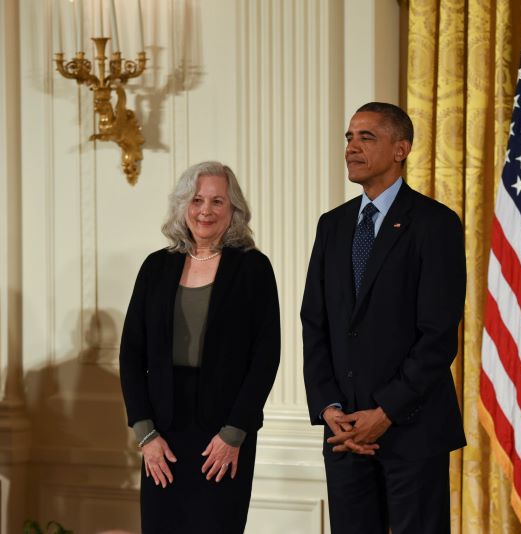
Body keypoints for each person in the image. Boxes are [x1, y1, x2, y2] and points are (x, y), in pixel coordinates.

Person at [301, 102, 467, 533]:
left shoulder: (435, 224)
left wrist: (385, 412)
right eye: (349, 137)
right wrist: (329, 407)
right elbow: (315, 323)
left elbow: (438, 335)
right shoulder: (332, 226)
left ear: (401, 149)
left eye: (366, 137)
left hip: (411, 430)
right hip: (344, 434)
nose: (352, 147)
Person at [119, 161, 281, 533]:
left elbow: (265, 357)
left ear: (233, 210)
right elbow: (131, 355)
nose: (205, 210)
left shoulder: (253, 268)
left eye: (217, 201)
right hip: (162, 434)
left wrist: (234, 432)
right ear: (182, 206)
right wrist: (145, 434)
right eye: (196, 200)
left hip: (222, 435)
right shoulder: (156, 267)